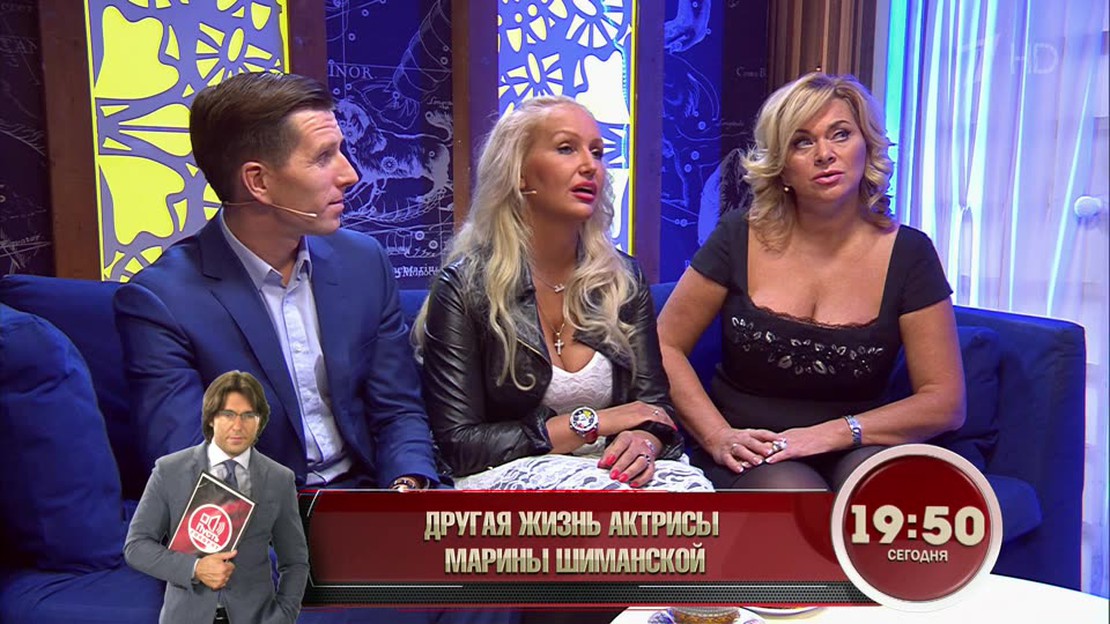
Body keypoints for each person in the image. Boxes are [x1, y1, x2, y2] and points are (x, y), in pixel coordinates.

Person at [114, 72, 438, 492]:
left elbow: (398, 410)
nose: (350, 174)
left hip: (366, 493)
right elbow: (188, 469)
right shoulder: (162, 301)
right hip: (258, 511)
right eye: (324, 157)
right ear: (259, 181)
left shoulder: (363, 262)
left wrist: (405, 487)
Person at [657, 73, 966, 491]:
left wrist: (834, 433)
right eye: (802, 142)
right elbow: (664, 345)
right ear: (781, 166)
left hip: (860, 439)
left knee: (878, 489)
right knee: (795, 494)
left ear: (867, 147)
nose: (825, 154)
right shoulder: (737, 235)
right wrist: (717, 435)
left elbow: (945, 402)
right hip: (755, 446)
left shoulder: (911, 253)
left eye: (841, 134)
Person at [414, 95, 711, 492]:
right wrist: (591, 423)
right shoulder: (464, 287)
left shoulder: (623, 279)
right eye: (567, 148)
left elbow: (653, 409)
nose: (590, 166)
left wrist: (644, 440)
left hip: (610, 470)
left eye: (597, 152)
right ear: (520, 174)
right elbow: (459, 445)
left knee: (691, 502)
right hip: (507, 473)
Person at [124, 371, 308, 624]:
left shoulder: (279, 478)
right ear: (211, 418)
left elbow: (295, 561)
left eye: (249, 415)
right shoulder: (169, 471)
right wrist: (194, 569)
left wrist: (283, 616)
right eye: (228, 414)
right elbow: (136, 547)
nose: (238, 426)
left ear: (260, 421)